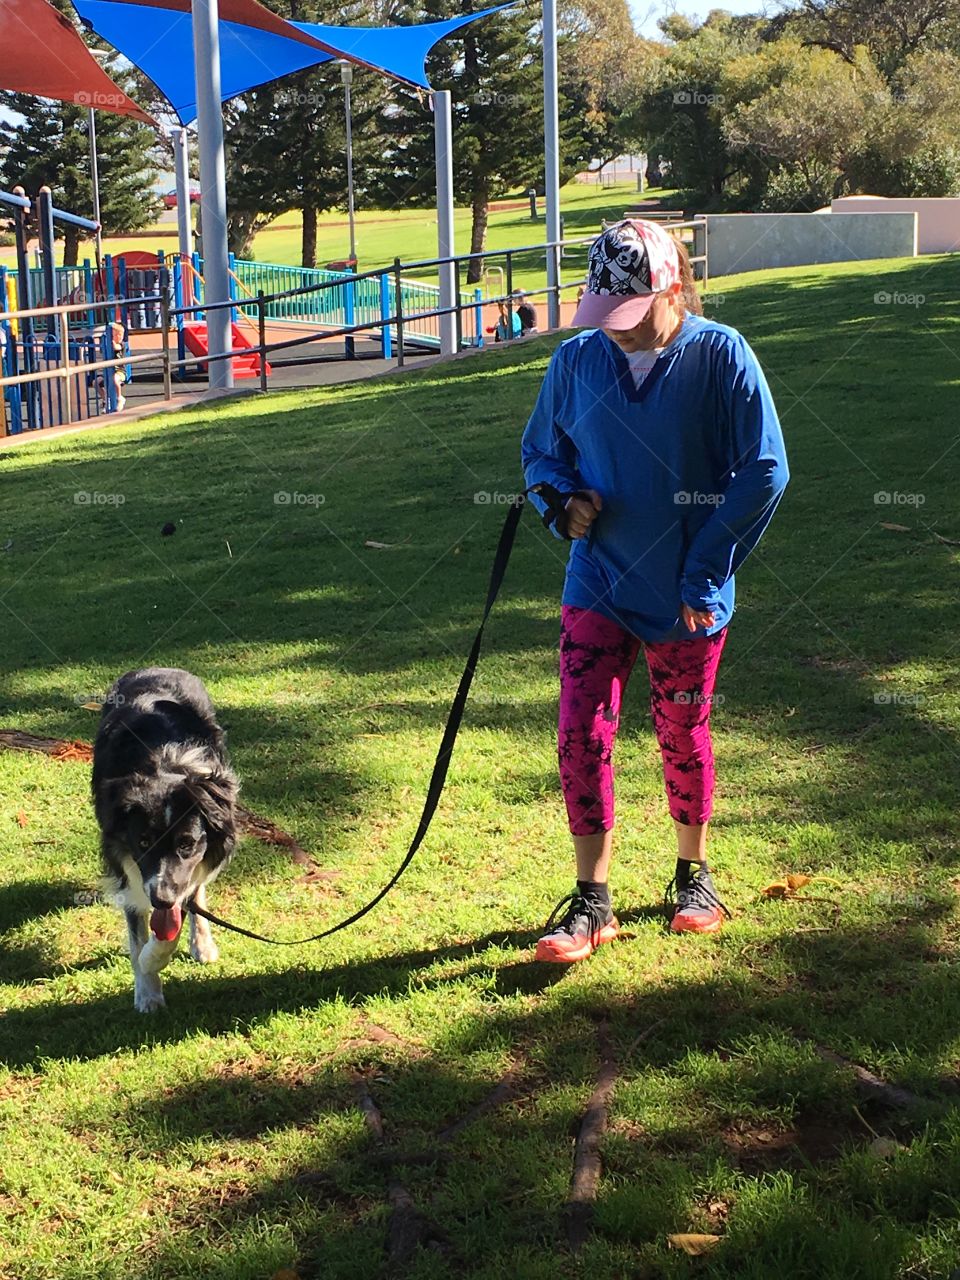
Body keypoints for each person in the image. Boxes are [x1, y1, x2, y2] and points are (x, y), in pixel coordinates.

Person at [520, 218, 789, 962]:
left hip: (685, 594)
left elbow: (765, 470)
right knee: (580, 730)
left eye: (630, 317)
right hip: (598, 580)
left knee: (682, 731)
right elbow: (542, 450)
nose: (617, 333)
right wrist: (560, 500)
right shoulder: (577, 360)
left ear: (672, 289)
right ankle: (591, 901)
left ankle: (692, 876)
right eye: (604, 318)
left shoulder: (721, 355)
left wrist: (706, 568)